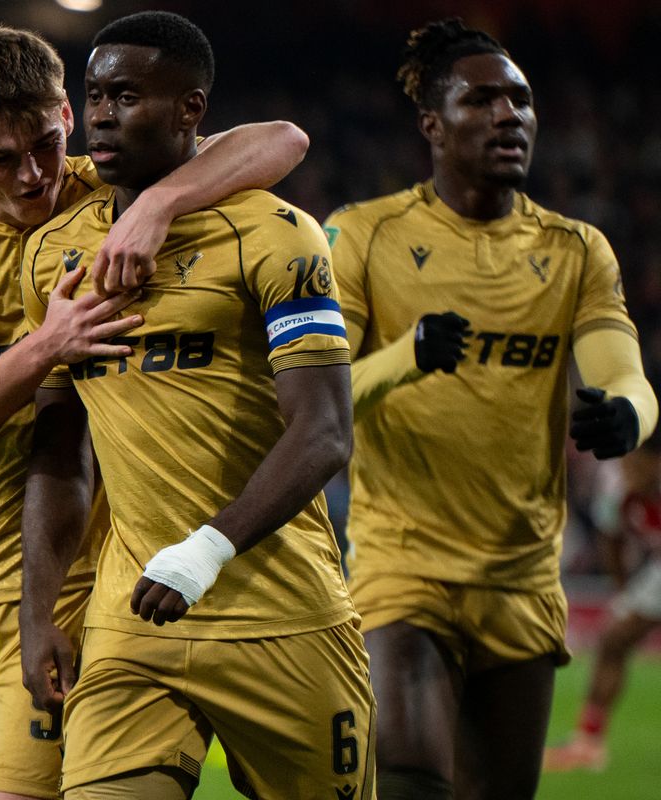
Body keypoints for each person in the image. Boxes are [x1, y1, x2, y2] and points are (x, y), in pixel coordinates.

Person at [0, 23, 310, 800]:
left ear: (69, 115)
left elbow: (282, 139)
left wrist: (161, 204)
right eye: (3, 159)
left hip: (69, 572)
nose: (36, 174)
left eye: (46, 142)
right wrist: (48, 345)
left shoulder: (109, 189)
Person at [19, 12, 373, 800]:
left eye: (129, 96)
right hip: (130, 621)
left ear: (191, 112)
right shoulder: (54, 253)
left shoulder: (278, 236)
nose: (103, 114)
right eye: (95, 95)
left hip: (282, 616)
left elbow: (324, 431)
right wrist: (38, 607)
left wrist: (204, 551)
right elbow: (58, 449)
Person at [322, 18, 660, 800]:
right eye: (483, 100)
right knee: (409, 772)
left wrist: (628, 416)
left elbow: (626, 374)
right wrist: (409, 356)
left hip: (522, 576)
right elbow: (317, 394)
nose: (511, 115)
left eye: (521, 100)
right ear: (431, 125)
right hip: (403, 565)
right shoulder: (362, 236)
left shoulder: (576, 250)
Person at [545, 433, 661, 772]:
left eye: (637, 461)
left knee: (614, 640)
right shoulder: (615, 486)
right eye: (626, 461)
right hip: (655, 569)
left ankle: (588, 742)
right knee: (613, 640)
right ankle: (588, 741)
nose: (629, 469)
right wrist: (625, 590)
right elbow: (609, 538)